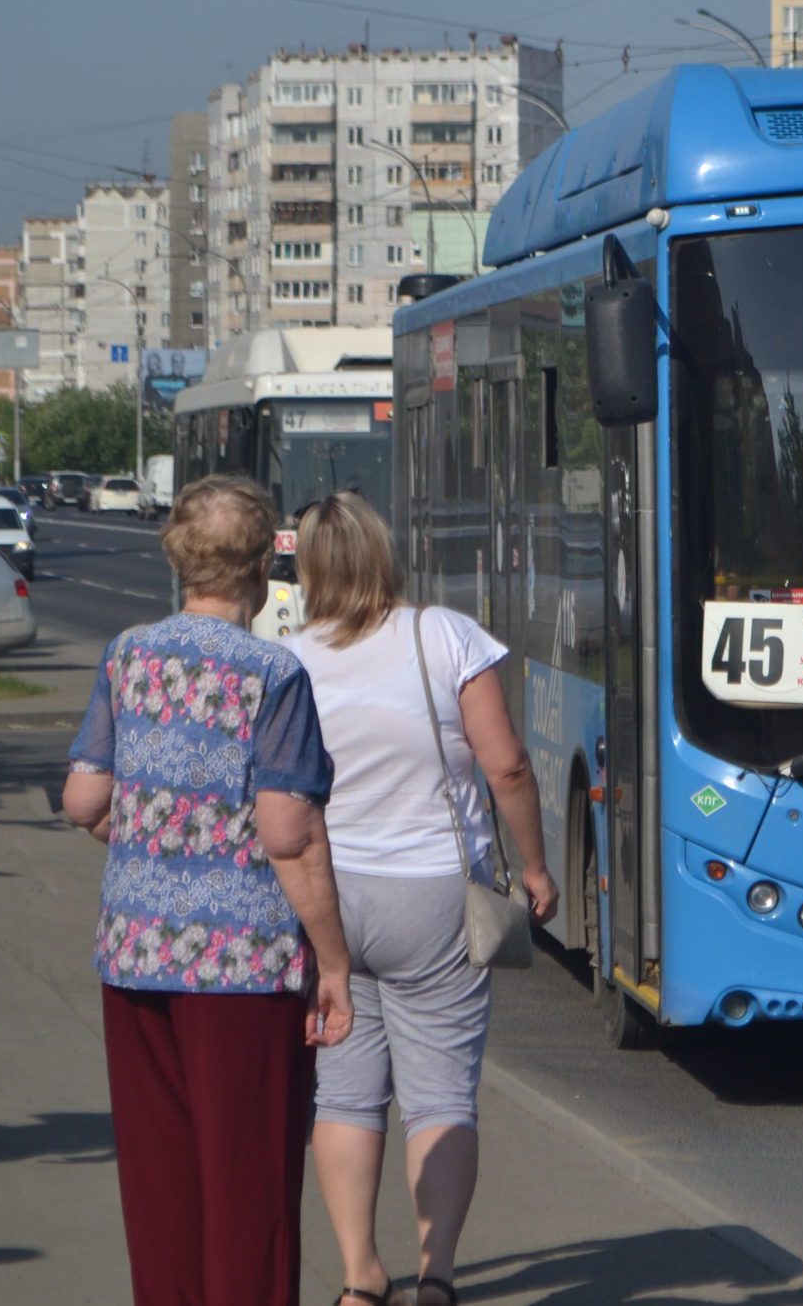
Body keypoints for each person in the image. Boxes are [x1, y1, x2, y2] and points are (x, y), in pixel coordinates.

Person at [61, 474, 354, 1306]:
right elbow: (288, 833)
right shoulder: (273, 673)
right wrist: (332, 961)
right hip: (242, 964)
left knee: (161, 1186)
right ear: (263, 567)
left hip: (133, 952)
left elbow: (85, 798)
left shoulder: (128, 654)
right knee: (247, 1183)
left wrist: (155, 835)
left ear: (178, 559)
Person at [284, 491, 557, 1306]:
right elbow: (504, 764)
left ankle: (361, 1276)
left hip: (328, 896)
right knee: (439, 1092)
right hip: (433, 894)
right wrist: (534, 868)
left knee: (344, 1090)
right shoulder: (440, 634)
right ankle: (436, 1277)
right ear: (383, 552)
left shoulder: (289, 658)